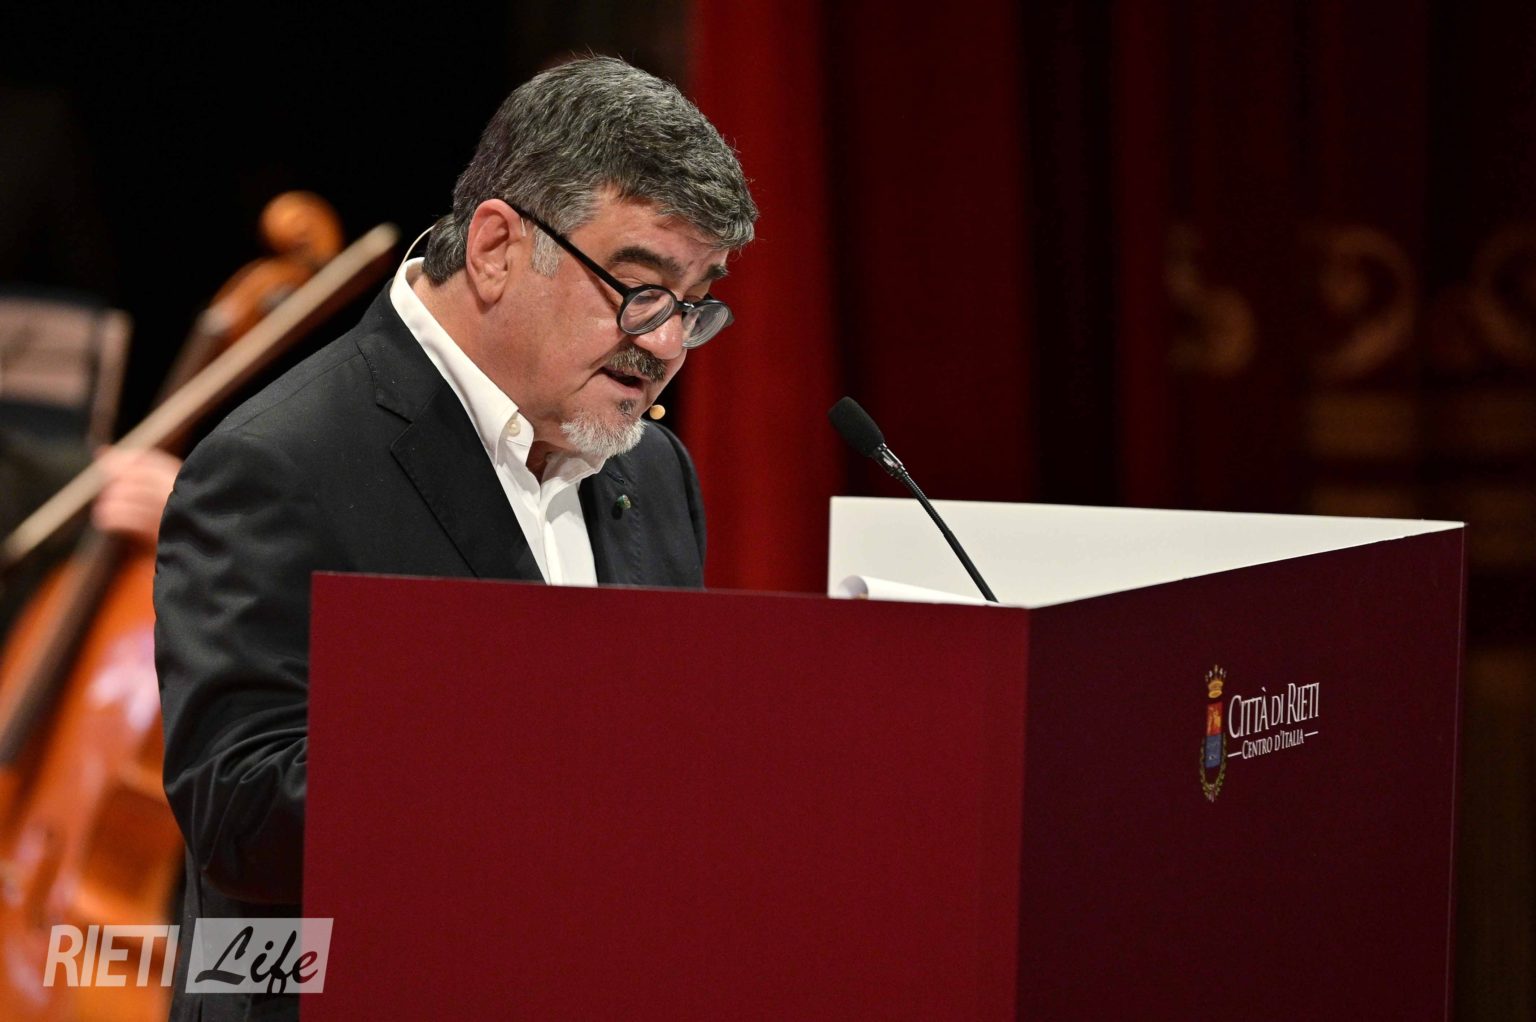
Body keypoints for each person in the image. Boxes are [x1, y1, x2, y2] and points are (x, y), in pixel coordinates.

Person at [153, 56, 757, 1020]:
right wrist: (548, 757)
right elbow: (241, 817)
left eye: (694, 303)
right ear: (496, 248)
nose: (666, 344)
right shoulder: (278, 461)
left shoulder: (654, 472)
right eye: (639, 288)